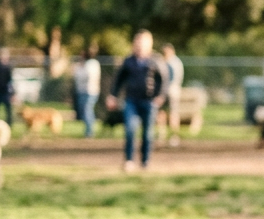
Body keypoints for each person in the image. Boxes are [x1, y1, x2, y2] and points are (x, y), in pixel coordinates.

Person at [106, 29, 166, 172]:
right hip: (131, 100)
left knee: (147, 133)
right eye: (137, 42)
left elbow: (164, 80)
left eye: (142, 42)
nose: (139, 45)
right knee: (130, 130)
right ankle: (129, 160)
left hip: (149, 101)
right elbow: (119, 80)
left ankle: (145, 161)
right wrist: (112, 95)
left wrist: (160, 96)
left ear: (149, 44)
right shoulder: (129, 61)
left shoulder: (155, 61)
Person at [72, 47, 102, 138]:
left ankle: (89, 132)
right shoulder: (81, 65)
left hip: (91, 91)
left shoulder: (92, 64)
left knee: (87, 110)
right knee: (84, 111)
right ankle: (88, 130)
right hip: (82, 91)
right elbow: (76, 76)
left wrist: (81, 67)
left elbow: (88, 76)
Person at [159, 43, 184, 145]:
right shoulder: (166, 61)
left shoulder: (173, 63)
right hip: (166, 91)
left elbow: (171, 79)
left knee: (173, 114)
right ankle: (162, 135)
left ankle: (174, 136)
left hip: (171, 91)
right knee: (161, 114)